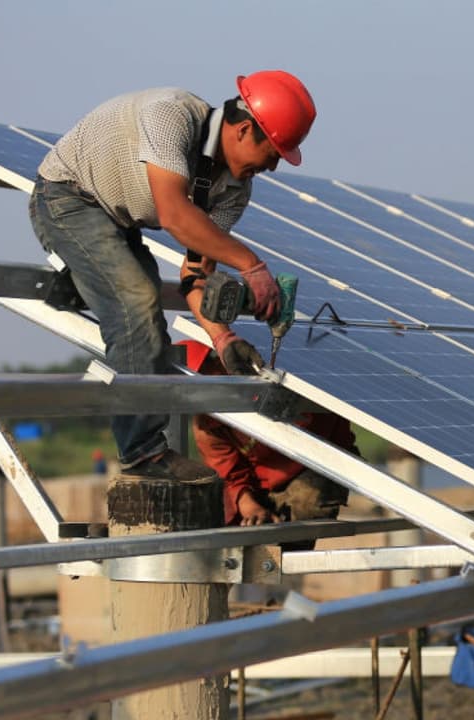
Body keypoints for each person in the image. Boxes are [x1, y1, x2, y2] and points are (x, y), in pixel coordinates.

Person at [28, 71, 316, 481]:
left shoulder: (233, 191)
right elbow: (173, 213)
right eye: (273, 152)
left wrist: (222, 338)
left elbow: (195, 273)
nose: (272, 167)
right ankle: (143, 455)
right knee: (136, 302)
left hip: (117, 223)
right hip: (67, 198)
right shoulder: (173, 117)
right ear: (245, 130)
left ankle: (84, 277)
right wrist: (252, 266)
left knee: (143, 310)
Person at [177, 340, 355, 542]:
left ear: (221, 362)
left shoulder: (276, 380)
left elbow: (336, 431)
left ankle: (286, 553)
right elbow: (231, 475)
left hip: (314, 466)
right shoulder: (208, 425)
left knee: (307, 505)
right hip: (259, 487)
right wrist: (251, 507)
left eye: (205, 373)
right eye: (195, 381)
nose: (203, 385)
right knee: (231, 532)